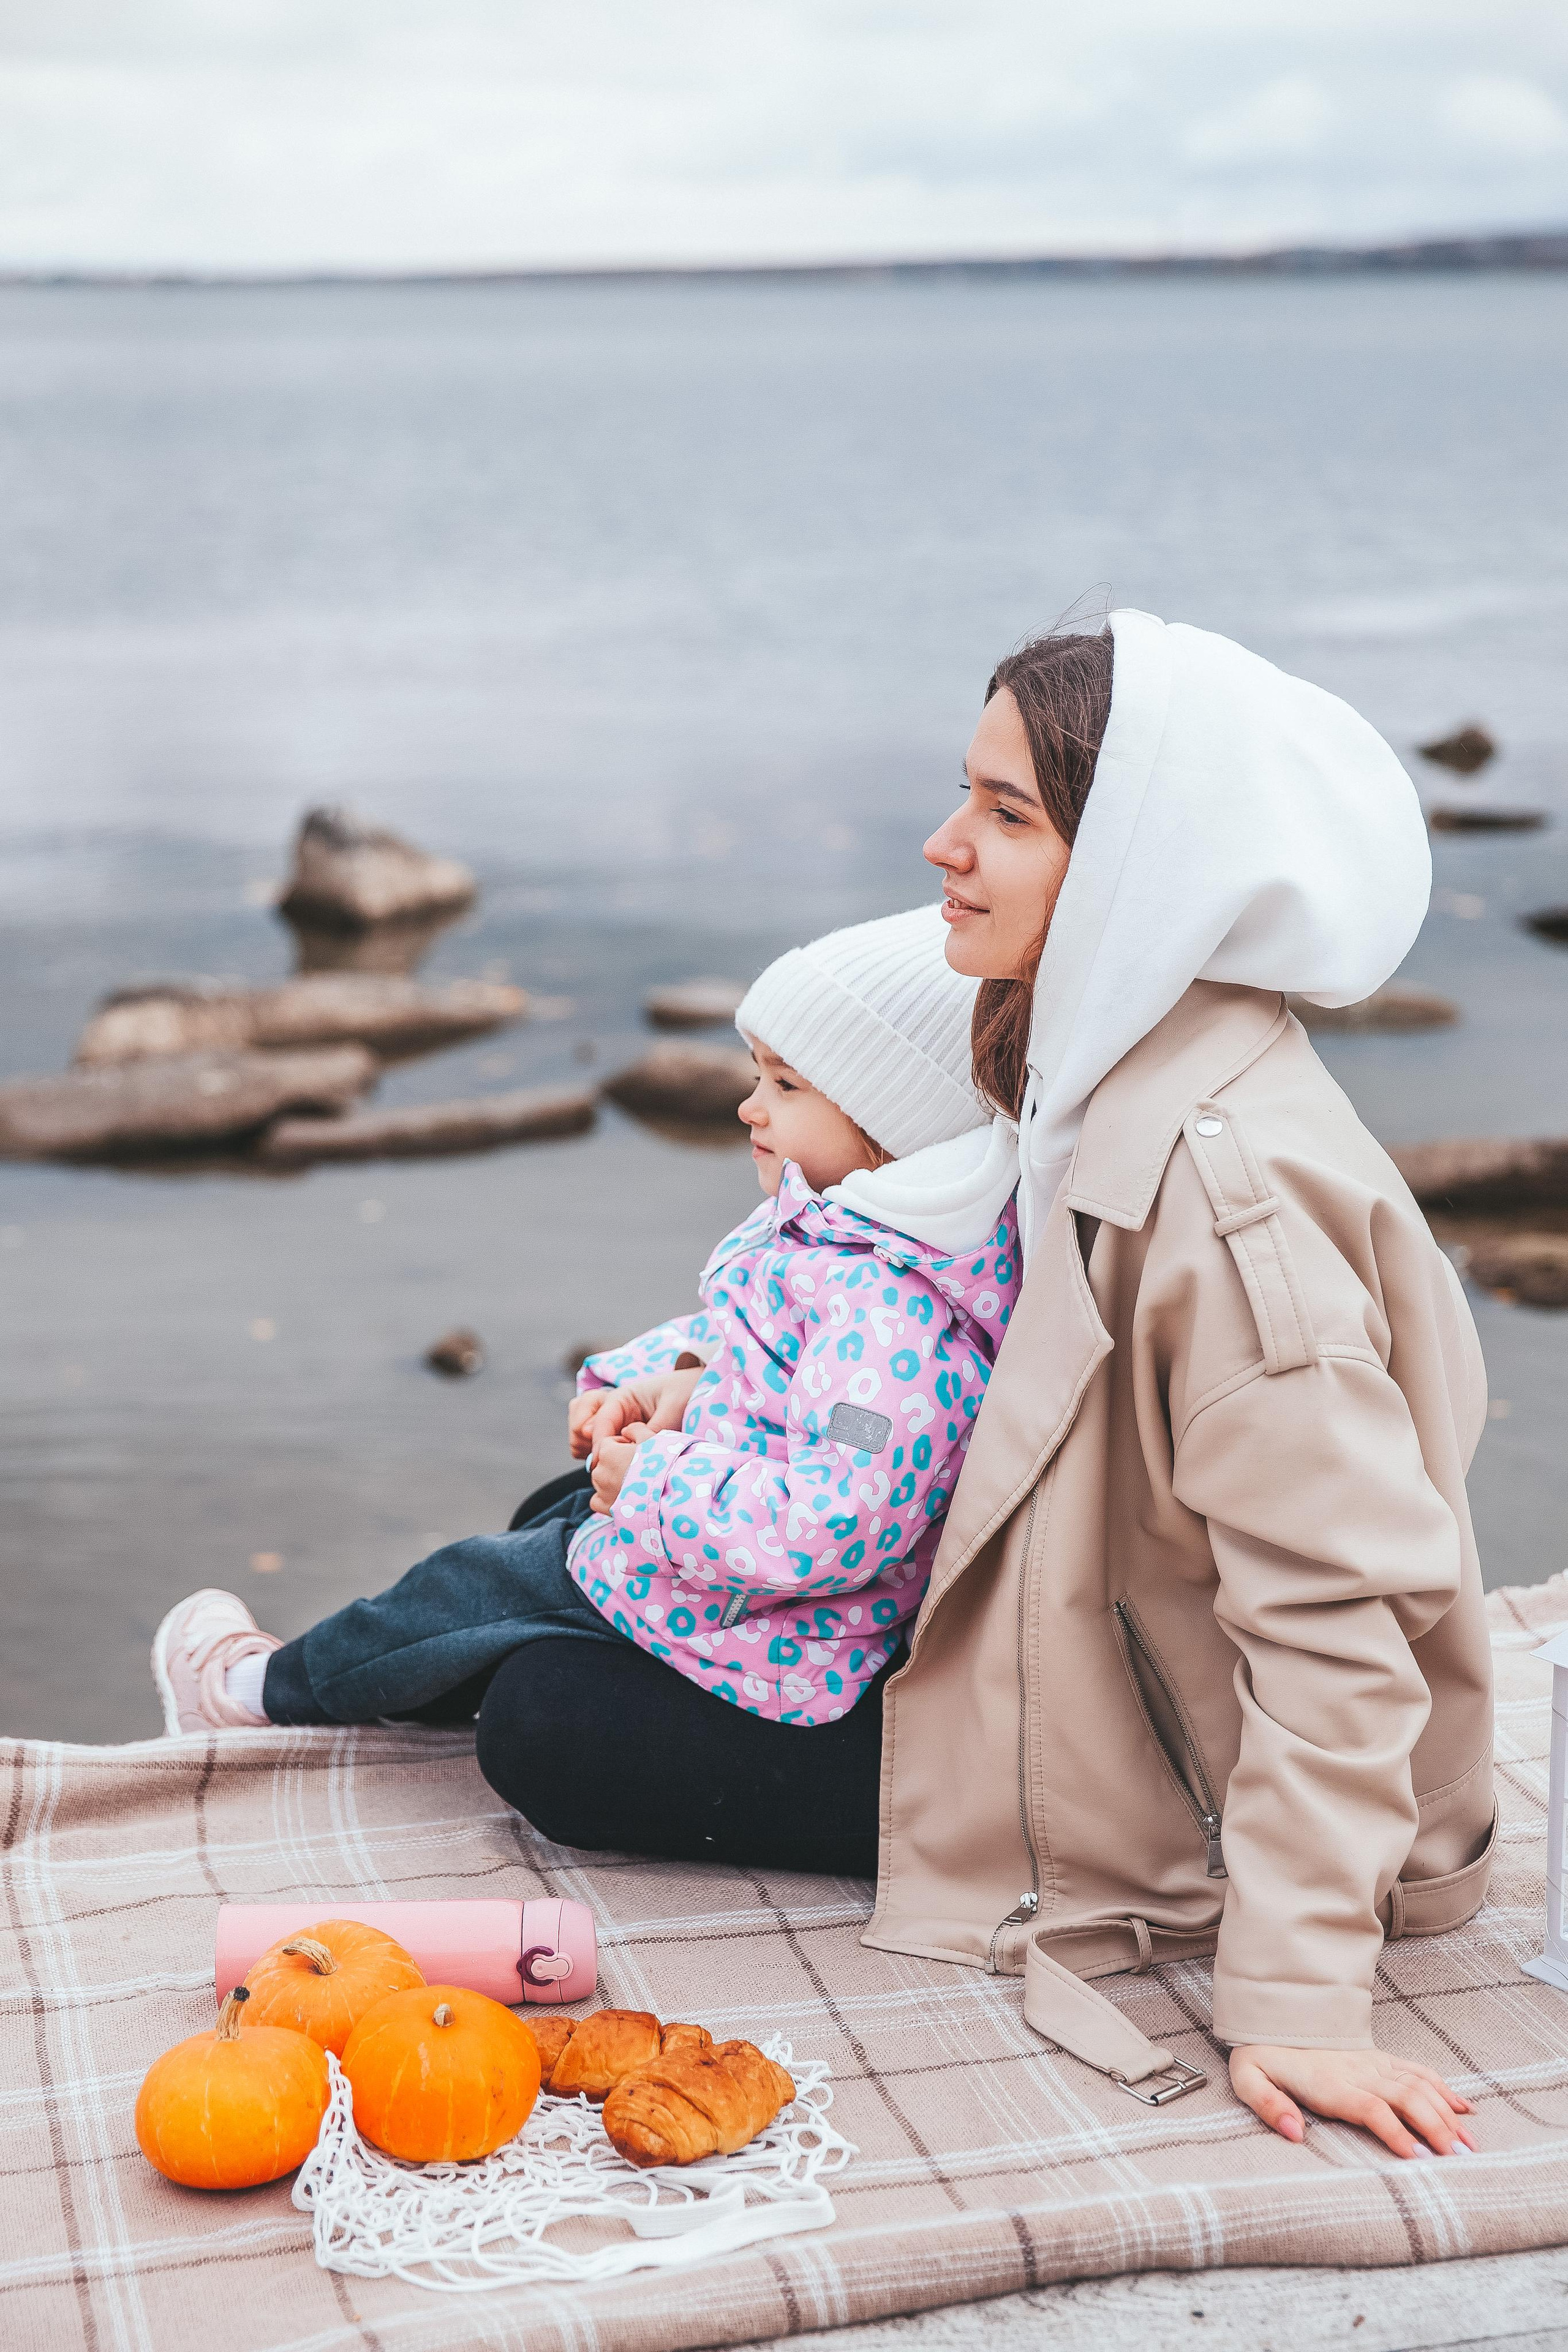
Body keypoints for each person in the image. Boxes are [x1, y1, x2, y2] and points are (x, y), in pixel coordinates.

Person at [487, 611, 1494, 2165]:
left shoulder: (1229, 1206)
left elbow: (1338, 1621)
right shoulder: (1107, 1062)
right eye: (966, 795)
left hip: (1156, 1775)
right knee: (563, 1518)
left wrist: (1297, 1996)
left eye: (1006, 814)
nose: (942, 844)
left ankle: (393, 1662)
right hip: (1069, 1643)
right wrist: (700, 1393)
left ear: (1143, 861)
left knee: (542, 1719)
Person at [151, 905, 1020, 1781]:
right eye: (758, 1074)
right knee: (529, 1542)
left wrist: (652, 1484)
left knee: (471, 1584)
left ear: (891, 1120)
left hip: (752, 1621)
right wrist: (661, 1380)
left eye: (787, 1087)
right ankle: (386, 1692)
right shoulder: (851, 1241)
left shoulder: (888, 1316)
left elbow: (836, 1519)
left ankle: (250, 1695)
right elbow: (763, 1351)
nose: (749, 1106)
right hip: (732, 1570)